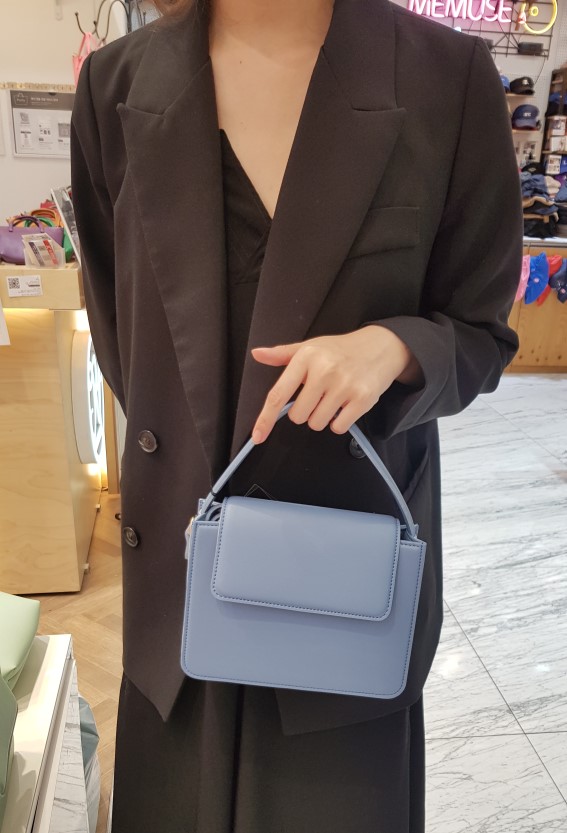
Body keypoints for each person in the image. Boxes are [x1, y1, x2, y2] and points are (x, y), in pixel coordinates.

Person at [70, 0, 523, 830]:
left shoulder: (444, 76)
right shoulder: (117, 82)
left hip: (342, 575)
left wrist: (396, 346)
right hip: (182, 567)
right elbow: (118, 329)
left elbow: (481, 332)